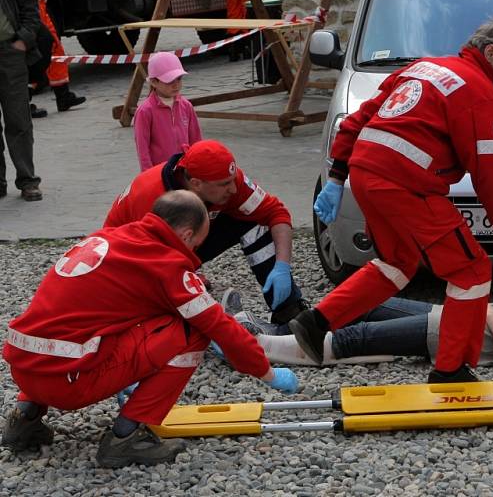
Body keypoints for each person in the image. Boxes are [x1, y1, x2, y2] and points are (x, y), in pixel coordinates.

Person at [291, 18, 493, 384]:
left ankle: (317, 321)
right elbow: (490, 178)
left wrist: (336, 178)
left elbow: (356, 121)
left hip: (365, 174)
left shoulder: (422, 68)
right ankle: (449, 369)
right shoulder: (478, 92)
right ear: (490, 53)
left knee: (398, 262)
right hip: (406, 184)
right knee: (471, 272)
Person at [1, 190, 298, 467]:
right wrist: (267, 373)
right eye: (196, 244)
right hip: (67, 383)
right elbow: (221, 326)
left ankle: (24, 420)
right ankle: (125, 438)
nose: (195, 254)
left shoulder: (107, 237)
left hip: (24, 370)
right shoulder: (166, 265)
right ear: (186, 234)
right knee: (192, 331)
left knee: (72, 325)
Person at [104, 139, 307, 325]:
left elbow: (276, 213)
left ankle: (288, 310)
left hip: (181, 243)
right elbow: (147, 266)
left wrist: (282, 267)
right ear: (196, 184)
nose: (234, 189)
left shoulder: (225, 178)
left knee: (257, 221)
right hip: (129, 260)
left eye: (232, 180)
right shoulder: (151, 199)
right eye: (225, 184)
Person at [227, 292, 493, 372]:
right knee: (365, 302)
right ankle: (275, 329)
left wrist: (487, 315)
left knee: (357, 338)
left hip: (452, 332)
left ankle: (254, 346)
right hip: (450, 316)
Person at [0, 0, 43, 201]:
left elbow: (30, 7)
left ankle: (27, 180)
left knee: (18, 119)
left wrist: (23, 40)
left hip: (9, 54)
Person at [133, 52, 202, 171]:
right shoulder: (145, 111)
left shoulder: (186, 106)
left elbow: (196, 140)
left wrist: (198, 166)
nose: (176, 85)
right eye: (169, 81)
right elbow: (143, 149)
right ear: (154, 82)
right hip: (159, 171)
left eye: (179, 79)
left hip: (184, 169)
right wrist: (148, 175)